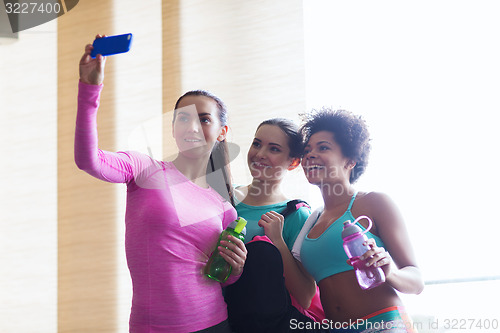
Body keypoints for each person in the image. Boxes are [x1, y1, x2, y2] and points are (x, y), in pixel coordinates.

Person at [75, 35, 247, 333]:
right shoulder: (145, 169)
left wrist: (236, 269)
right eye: (183, 118)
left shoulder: (225, 208)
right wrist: (90, 89)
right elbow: (89, 160)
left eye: (204, 119)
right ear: (173, 127)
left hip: (215, 323)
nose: (192, 126)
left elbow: (222, 277)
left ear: (222, 132)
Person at [292, 108, 424, 332]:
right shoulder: (311, 220)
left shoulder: (374, 203)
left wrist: (389, 272)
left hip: (383, 324)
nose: (310, 155)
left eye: (323, 147)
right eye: (307, 150)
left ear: (350, 160)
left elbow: (416, 280)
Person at [224, 118, 326, 332]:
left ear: (293, 162)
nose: (260, 154)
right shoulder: (225, 195)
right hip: (217, 320)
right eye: (257, 143)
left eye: (274, 149)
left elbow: (306, 297)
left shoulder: (296, 215)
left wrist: (278, 242)